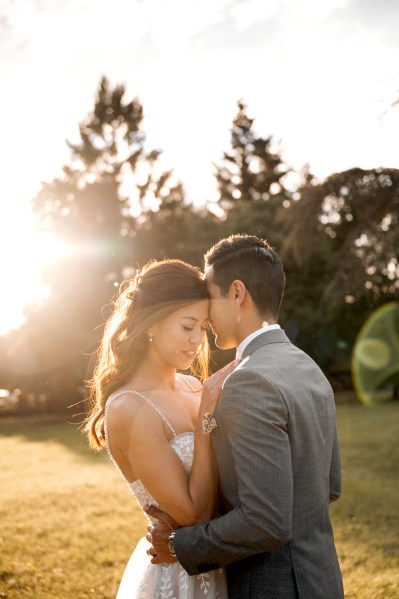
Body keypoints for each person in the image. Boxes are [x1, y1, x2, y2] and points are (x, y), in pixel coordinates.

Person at [146, 234, 344, 598]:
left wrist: (179, 544)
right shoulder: (307, 367)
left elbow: (265, 522)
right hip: (321, 580)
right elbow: (328, 485)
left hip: (275, 587)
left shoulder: (247, 382)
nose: (206, 313)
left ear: (237, 293)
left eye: (210, 294)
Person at [84, 259, 233, 598]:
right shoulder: (129, 408)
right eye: (187, 326)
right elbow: (194, 513)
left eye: (203, 327)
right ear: (152, 323)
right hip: (180, 579)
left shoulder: (196, 388)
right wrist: (207, 418)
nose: (197, 339)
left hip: (227, 565)